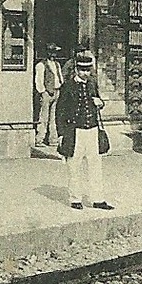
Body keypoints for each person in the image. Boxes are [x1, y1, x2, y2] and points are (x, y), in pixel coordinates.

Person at [57, 50, 113, 211]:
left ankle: (98, 199)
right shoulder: (67, 86)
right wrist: (61, 133)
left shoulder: (92, 84)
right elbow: (60, 111)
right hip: (75, 131)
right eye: (82, 70)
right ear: (76, 69)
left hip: (92, 130)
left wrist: (100, 103)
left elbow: (98, 102)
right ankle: (75, 198)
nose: (85, 73)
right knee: (73, 166)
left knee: (95, 166)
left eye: (88, 70)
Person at [33, 44, 64, 146]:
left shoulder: (57, 64)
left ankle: (53, 139)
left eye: (55, 52)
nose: (54, 54)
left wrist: (59, 87)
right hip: (46, 93)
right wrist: (43, 92)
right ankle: (39, 139)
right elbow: (39, 80)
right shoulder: (41, 65)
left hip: (56, 91)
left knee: (53, 117)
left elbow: (60, 77)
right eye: (52, 52)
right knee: (44, 117)